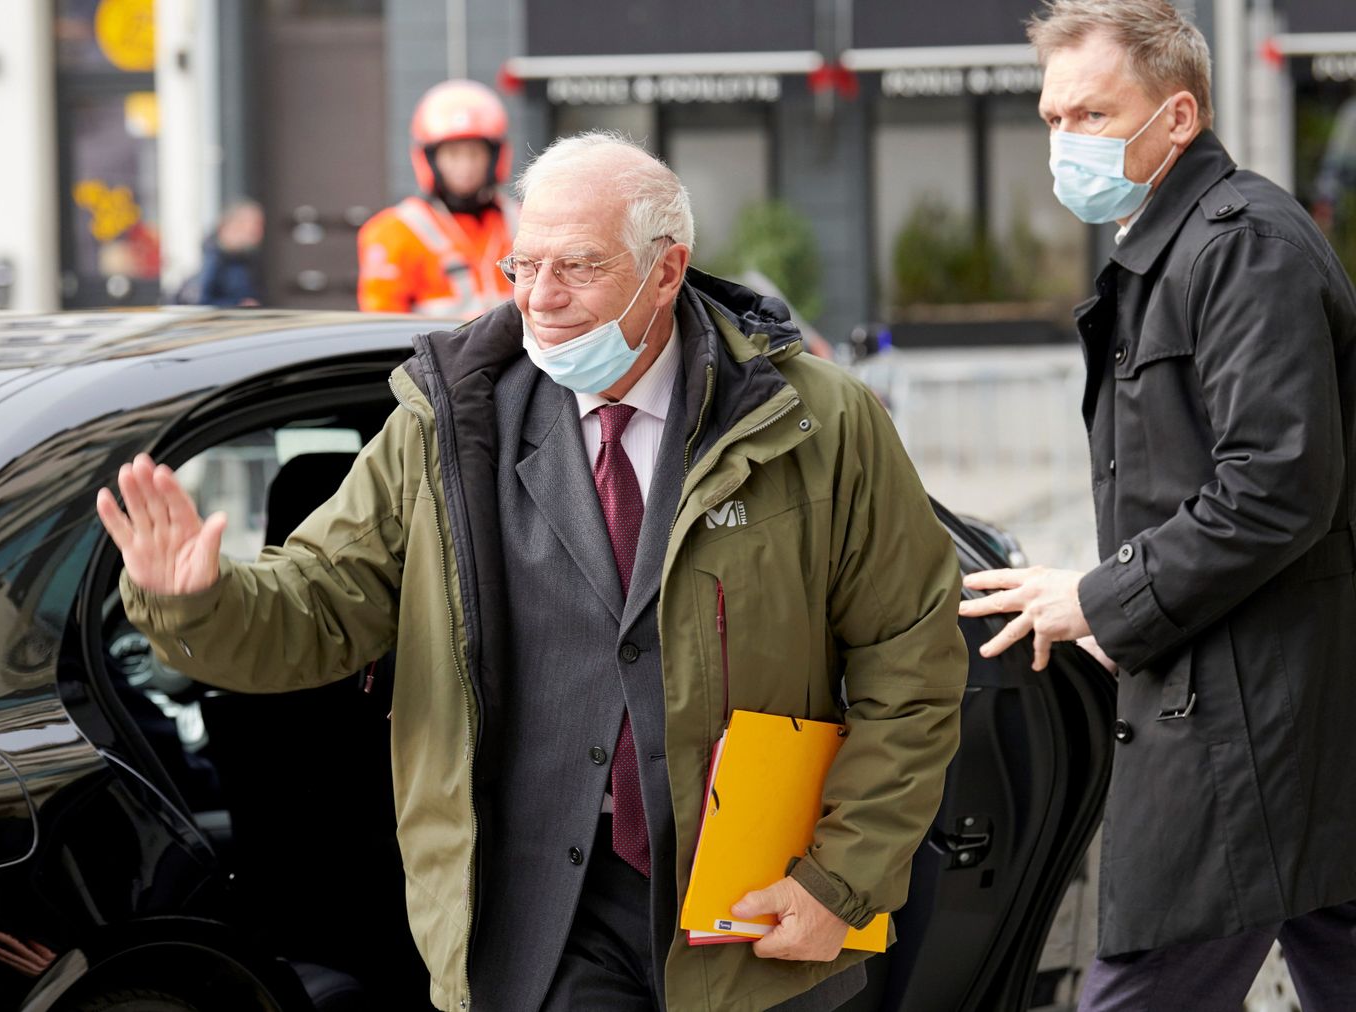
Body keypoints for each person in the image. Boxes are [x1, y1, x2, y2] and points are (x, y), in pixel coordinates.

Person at [98, 132, 967, 1012]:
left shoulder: (820, 422)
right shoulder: (447, 424)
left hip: (760, 901)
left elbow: (913, 661)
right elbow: (322, 602)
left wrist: (839, 881)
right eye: (523, 265)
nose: (540, 300)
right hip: (539, 921)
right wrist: (194, 600)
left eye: (579, 268)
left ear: (667, 271)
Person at [958, 3, 1356, 1009]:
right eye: (1051, 118)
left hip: (1245, 730)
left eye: (1089, 115)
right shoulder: (1176, 247)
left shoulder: (1240, 245)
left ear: (1176, 117)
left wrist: (1098, 599)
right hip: (1265, 712)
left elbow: (1274, 485)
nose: (1063, 142)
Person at [356, 79, 517, 317]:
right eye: (453, 154)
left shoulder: (522, 221)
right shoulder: (392, 232)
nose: (466, 166)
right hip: (438, 355)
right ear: (430, 159)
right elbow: (380, 324)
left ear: (494, 158)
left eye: (475, 153)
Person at [191, 199, 265, 307]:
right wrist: (237, 305)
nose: (259, 231)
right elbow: (202, 301)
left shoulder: (245, 259)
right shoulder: (214, 259)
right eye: (255, 224)